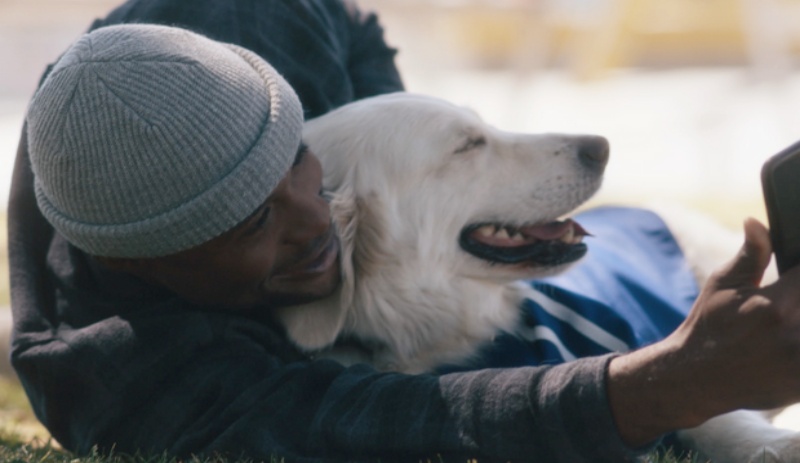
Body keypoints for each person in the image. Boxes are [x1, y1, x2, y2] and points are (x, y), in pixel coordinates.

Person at [8, 3, 800, 463]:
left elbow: (355, 31)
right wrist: (680, 385)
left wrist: (414, 168)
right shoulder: (126, 373)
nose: (323, 217)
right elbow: (388, 426)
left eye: (298, 162)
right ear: (143, 263)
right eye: (256, 220)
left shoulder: (252, 21)